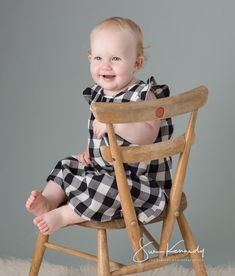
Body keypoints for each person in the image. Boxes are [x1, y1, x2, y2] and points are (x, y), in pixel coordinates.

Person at [25, 17, 173, 235]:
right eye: (98, 58)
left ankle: (64, 214)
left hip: (139, 184)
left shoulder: (144, 96)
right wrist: (90, 154)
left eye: (115, 58)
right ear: (89, 59)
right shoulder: (100, 94)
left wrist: (115, 125)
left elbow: (147, 135)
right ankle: (49, 200)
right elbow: (104, 139)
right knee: (67, 165)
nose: (105, 65)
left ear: (137, 63)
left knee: (106, 187)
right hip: (105, 170)